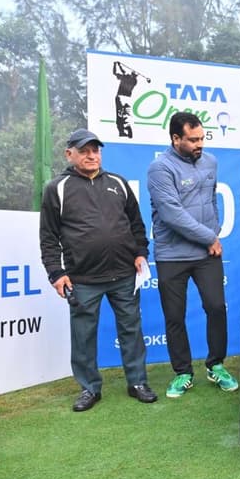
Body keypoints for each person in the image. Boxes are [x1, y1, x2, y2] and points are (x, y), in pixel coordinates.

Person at [39, 128, 157, 411]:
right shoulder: (57, 188)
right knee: (83, 336)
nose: (92, 155)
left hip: (124, 275)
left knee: (131, 329)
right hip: (82, 279)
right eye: (84, 151)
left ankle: (137, 382)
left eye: (96, 150)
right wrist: (56, 272)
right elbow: (48, 237)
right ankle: (89, 388)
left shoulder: (118, 182)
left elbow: (137, 225)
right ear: (70, 154)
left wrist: (141, 253)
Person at [147, 112, 237, 398]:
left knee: (216, 307)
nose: (200, 144)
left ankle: (216, 365)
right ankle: (183, 372)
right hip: (171, 254)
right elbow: (172, 214)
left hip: (205, 253)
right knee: (174, 315)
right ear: (176, 139)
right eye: (193, 139)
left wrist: (214, 230)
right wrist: (210, 237)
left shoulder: (210, 161)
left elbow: (211, 199)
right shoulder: (160, 168)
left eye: (202, 138)